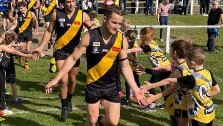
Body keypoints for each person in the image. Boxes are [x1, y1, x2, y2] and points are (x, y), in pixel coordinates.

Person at [44, 4, 147, 125]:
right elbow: (72, 58)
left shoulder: (121, 39)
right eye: (114, 22)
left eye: (119, 24)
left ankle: (100, 121)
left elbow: (125, 67)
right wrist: (56, 79)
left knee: (113, 122)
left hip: (111, 86)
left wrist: (136, 90)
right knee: (91, 120)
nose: (117, 27)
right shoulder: (89, 36)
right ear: (105, 19)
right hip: (93, 85)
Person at [34, 0, 93, 122]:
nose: (71, 4)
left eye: (73, 1)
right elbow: (49, 31)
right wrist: (40, 47)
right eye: (68, 1)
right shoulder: (56, 14)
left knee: (72, 79)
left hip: (75, 52)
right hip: (60, 51)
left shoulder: (83, 15)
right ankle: (64, 105)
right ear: (63, 2)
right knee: (63, 79)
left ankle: (69, 99)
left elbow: (94, 31)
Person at [142, 48, 220, 126]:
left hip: (199, 115)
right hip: (209, 111)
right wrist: (203, 96)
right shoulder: (208, 72)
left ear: (192, 63)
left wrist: (151, 85)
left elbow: (169, 81)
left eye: (187, 61)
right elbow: (217, 89)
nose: (186, 63)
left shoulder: (191, 78)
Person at [140, 39, 193, 126]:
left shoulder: (179, 70)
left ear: (175, 52)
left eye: (171, 50)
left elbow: (171, 86)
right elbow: (165, 77)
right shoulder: (187, 65)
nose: (170, 52)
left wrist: (154, 94)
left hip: (179, 105)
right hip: (187, 104)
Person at [129, 27, 171, 111]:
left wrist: (125, 51)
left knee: (151, 84)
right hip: (165, 65)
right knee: (162, 85)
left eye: (140, 34)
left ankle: (152, 105)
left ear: (145, 36)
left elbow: (139, 49)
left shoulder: (148, 46)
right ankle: (167, 103)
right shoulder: (152, 42)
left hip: (162, 68)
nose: (139, 36)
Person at [0, 29, 36, 117]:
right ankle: (3, 110)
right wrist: (29, 56)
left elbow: (14, 48)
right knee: (2, 90)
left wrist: (28, 51)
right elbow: (14, 51)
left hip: (1, 70)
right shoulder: (2, 46)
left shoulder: (4, 46)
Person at [11, 2, 39, 70]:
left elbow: (36, 21)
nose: (20, 10)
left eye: (21, 8)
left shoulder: (31, 13)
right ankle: (20, 55)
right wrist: (10, 29)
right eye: (19, 8)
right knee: (21, 49)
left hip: (29, 34)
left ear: (25, 7)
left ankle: (26, 64)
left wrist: (36, 29)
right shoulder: (18, 15)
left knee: (28, 50)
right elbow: (15, 25)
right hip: (21, 34)